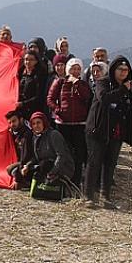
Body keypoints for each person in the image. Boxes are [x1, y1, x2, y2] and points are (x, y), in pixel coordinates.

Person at [84, 56, 132, 209]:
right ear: (113, 70)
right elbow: (104, 98)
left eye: (126, 70)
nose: (123, 73)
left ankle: (105, 196)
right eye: (120, 69)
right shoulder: (103, 82)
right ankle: (88, 196)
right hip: (98, 130)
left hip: (116, 131)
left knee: (110, 164)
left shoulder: (129, 88)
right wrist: (123, 89)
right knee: (94, 162)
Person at [47, 57, 91, 186]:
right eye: (73, 68)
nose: (75, 71)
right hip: (63, 124)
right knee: (64, 152)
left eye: (78, 69)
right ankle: (63, 179)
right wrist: (58, 110)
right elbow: (50, 99)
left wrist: (77, 84)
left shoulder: (83, 84)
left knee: (79, 153)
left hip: (80, 124)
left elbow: (87, 98)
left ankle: (76, 181)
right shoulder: (59, 82)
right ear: (68, 69)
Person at [18, 112, 74, 192]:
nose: (36, 126)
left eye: (38, 123)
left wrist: (52, 172)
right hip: (45, 166)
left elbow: (61, 156)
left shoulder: (54, 135)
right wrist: (27, 166)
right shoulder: (35, 137)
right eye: (33, 124)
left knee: (44, 165)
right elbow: (37, 157)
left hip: (60, 167)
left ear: (44, 122)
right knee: (22, 171)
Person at [5, 110, 34, 189]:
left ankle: (27, 181)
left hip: (31, 163)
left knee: (10, 169)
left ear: (21, 120)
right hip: (23, 162)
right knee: (10, 169)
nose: (12, 124)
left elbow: (26, 157)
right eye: (10, 122)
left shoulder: (26, 134)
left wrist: (17, 179)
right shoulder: (16, 132)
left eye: (14, 121)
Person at [17, 50, 44, 120]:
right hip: (19, 110)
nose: (28, 62)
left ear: (36, 61)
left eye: (31, 60)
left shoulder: (39, 76)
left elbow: (39, 96)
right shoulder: (20, 74)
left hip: (33, 110)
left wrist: (23, 103)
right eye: (26, 59)